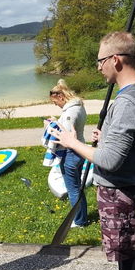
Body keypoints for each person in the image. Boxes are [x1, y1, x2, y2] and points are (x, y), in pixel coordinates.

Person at [52, 32, 135, 270]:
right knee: (124, 249)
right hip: (127, 181)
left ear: (115, 60)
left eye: (100, 61)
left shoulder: (127, 103)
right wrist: (109, 136)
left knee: (127, 252)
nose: (98, 67)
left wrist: (72, 142)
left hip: (118, 188)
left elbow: (110, 161)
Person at [47, 79, 88, 227]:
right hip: (80, 150)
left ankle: (79, 221)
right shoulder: (78, 106)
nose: (55, 104)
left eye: (54, 101)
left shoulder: (70, 111)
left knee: (73, 189)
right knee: (77, 187)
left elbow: (65, 132)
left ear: (61, 97)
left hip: (72, 152)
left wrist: (50, 126)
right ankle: (81, 217)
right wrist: (57, 120)